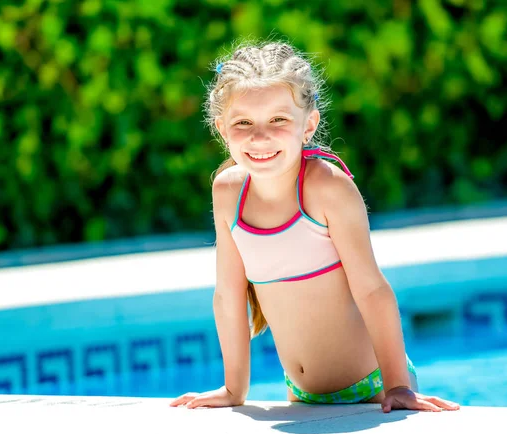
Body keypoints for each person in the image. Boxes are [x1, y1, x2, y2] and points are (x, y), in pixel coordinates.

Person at [170, 41, 459, 413]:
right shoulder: (228, 192)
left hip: (373, 385)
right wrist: (233, 389)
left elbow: (372, 289)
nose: (260, 137)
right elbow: (228, 295)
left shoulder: (326, 187)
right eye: (243, 123)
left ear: (308, 126)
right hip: (300, 393)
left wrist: (398, 385)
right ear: (221, 129)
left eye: (278, 120)